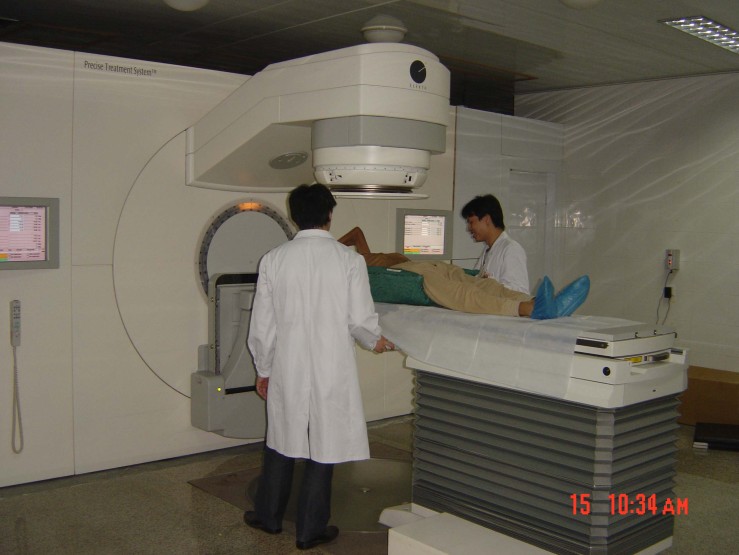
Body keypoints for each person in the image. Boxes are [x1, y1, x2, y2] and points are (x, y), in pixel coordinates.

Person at [245, 184, 395, 551]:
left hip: (288, 367)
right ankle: (310, 530)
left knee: (280, 439)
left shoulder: (274, 260)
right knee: (323, 446)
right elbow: (360, 319)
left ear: (294, 216)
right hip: (331, 368)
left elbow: (262, 326)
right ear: (330, 214)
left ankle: (268, 517)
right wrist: (375, 341)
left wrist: (263, 369)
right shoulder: (349, 260)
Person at [337, 226, 589, 319]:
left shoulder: (359, 258)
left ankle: (544, 304)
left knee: (484, 285)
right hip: (413, 278)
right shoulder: (357, 268)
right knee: (464, 294)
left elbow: (356, 232)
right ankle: (526, 309)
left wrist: (331, 245)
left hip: (429, 267)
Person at [461, 194, 530, 294]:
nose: (468, 228)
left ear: (486, 219)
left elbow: (521, 293)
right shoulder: (488, 250)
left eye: (471, 222)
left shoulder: (511, 249)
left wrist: (489, 284)